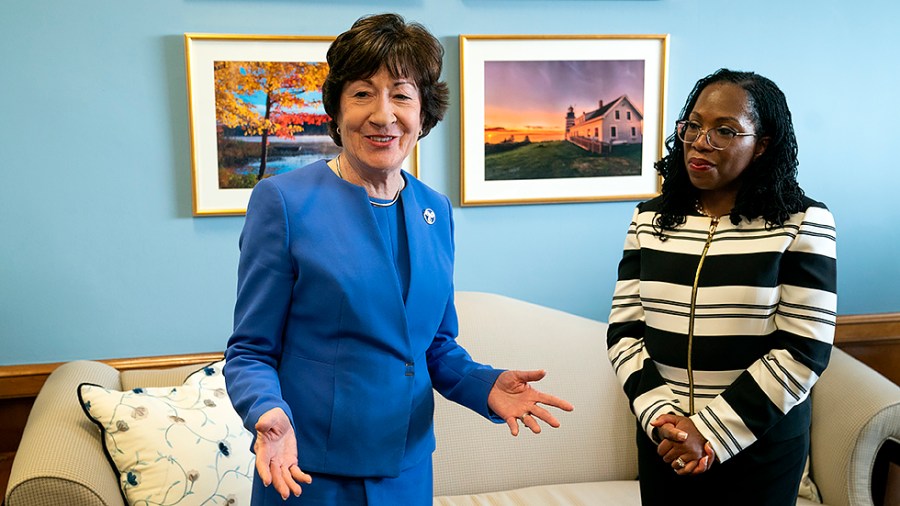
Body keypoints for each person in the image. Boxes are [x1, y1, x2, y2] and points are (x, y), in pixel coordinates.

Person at [224, 13, 574, 505]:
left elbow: (435, 347)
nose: (383, 114)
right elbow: (250, 350)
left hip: (407, 470)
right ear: (338, 109)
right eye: (363, 93)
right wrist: (267, 411)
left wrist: (485, 384)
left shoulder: (435, 209)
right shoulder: (282, 203)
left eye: (402, 94)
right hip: (306, 470)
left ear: (423, 113)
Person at [606, 68, 837, 505]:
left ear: (763, 145)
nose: (699, 141)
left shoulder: (802, 222)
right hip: (666, 441)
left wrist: (708, 431)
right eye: (693, 125)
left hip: (760, 448)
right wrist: (665, 420)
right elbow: (625, 333)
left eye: (725, 130)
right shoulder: (649, 219)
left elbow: (804, 348)